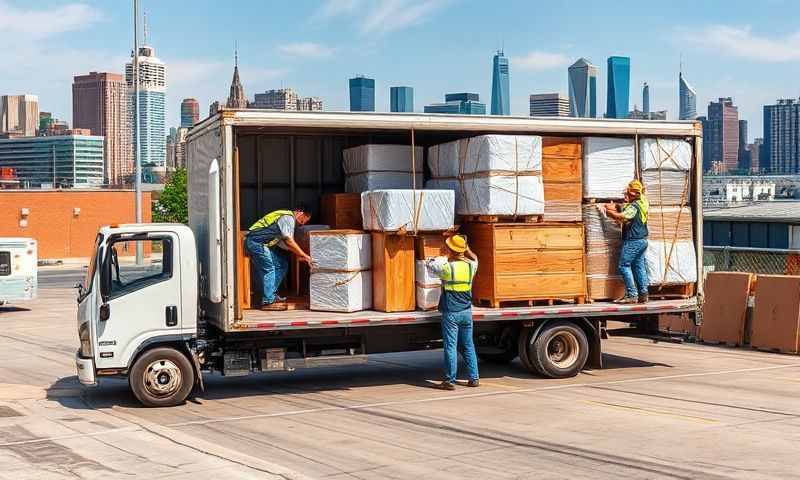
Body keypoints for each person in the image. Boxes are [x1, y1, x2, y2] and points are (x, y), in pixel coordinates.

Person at [426, 234, 479, 390]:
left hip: (451, 313)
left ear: (450, 249)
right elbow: (475, 258)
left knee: (450, 347)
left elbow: (430, 265)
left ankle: (449, 380)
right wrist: (467, 250)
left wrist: (443, 255)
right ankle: (474, 378)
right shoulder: (471, 266)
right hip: (466, 311)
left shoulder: (448, 268)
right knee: (469, 346)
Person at [245, 207, 313, 310]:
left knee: (282, 264)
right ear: (299, 212)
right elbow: (289, 240)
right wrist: (304, 255)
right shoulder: (288, 218)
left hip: (260, 244)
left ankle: (270, 294)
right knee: (269, 269)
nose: (302, 224)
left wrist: (299, 255)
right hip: (257, 243)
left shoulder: (286, 221)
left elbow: (284, 244)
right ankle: (267, 301)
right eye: (303, 220)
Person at [603, 180, 650, 304]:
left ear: (633, 194)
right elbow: (626, 210)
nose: (625, 196)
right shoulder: (643, 202)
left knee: (624, 266)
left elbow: (623, 217)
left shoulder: (633, 207)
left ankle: (632, 294)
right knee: (638, 266)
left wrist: (609, 213)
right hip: (642, 241)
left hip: (633, 240)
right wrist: (617, 207)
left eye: (627, 194)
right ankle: (643, 293)